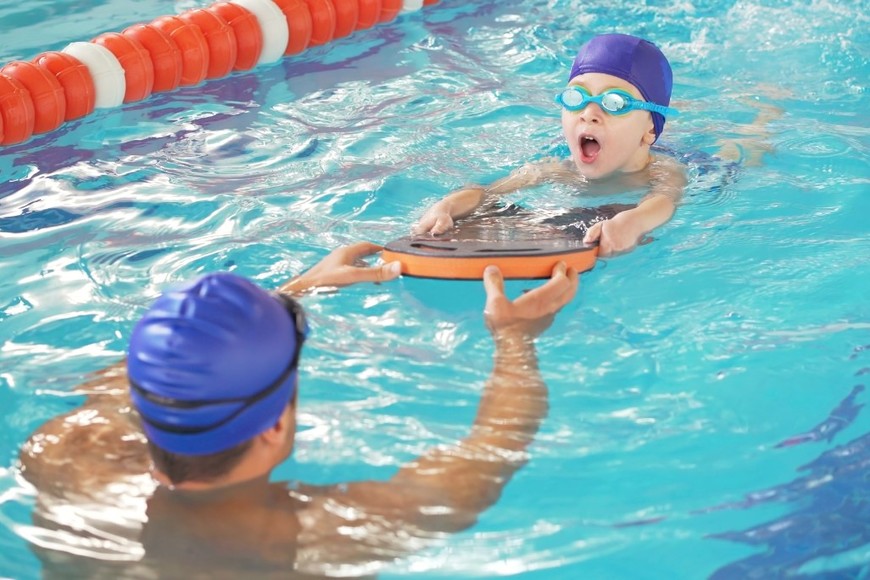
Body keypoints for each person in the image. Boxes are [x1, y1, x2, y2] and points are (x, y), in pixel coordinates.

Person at [18, 242, 579, 578]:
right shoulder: (323, 535)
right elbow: (492, 450)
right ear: (278, 425)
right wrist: (515, 339)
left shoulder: (66, 456)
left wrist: (299, 290)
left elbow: (153, 366)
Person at [413, 33, 778, 257]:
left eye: (615, 103)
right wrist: (448, 205)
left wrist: (632, 223)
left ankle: (767, 107)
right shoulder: (557, 168)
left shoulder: (666, 170)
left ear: (649, 130)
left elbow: (664, 202)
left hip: (710, 169)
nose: (589, 114)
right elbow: (487, 192)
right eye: (577, 98)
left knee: (744, 151)